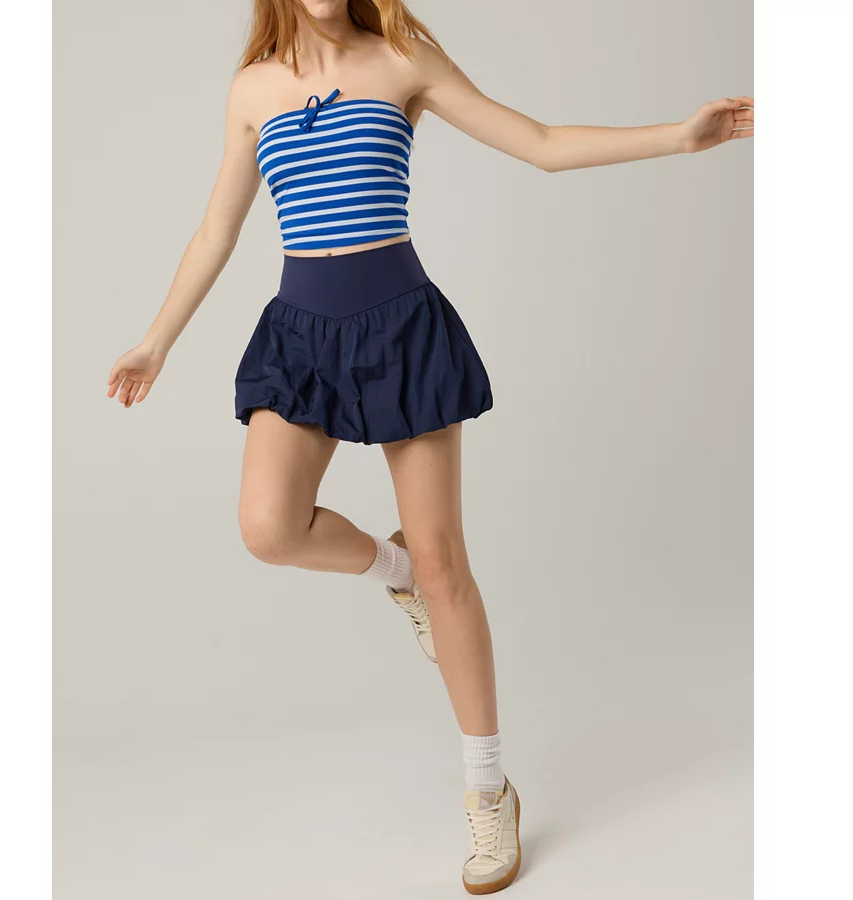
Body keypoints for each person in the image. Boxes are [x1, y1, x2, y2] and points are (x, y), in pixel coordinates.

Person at [106, 0, 752, 892]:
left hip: (401, 329)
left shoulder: (401, 59)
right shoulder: (252, 88)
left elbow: (540, 142)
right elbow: (218, 228)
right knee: (269, 528)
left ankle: (489, 791)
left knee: (449, 568)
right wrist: (156, 341)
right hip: (301, 335)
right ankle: (393, 569)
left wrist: (678, 137)